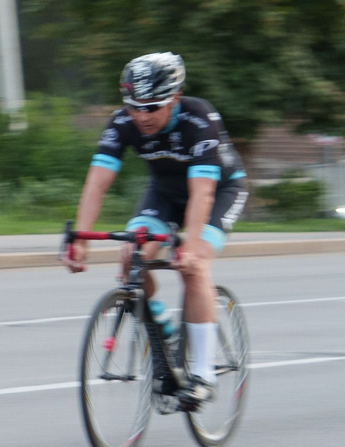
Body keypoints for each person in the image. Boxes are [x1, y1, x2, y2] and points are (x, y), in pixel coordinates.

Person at [65, 51, 247, 407]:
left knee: (195, 270)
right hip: (164, 193)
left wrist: (191, 247)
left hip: (218, 191)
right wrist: (80, 239)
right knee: (132, 254)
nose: (142, 116)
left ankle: (204, 373)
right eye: (134, 106)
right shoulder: (123, 122)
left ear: (175, 98)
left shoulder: (199, 119)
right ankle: (162, 327)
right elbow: (97, 183)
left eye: (152, 107)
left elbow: (202, 192)